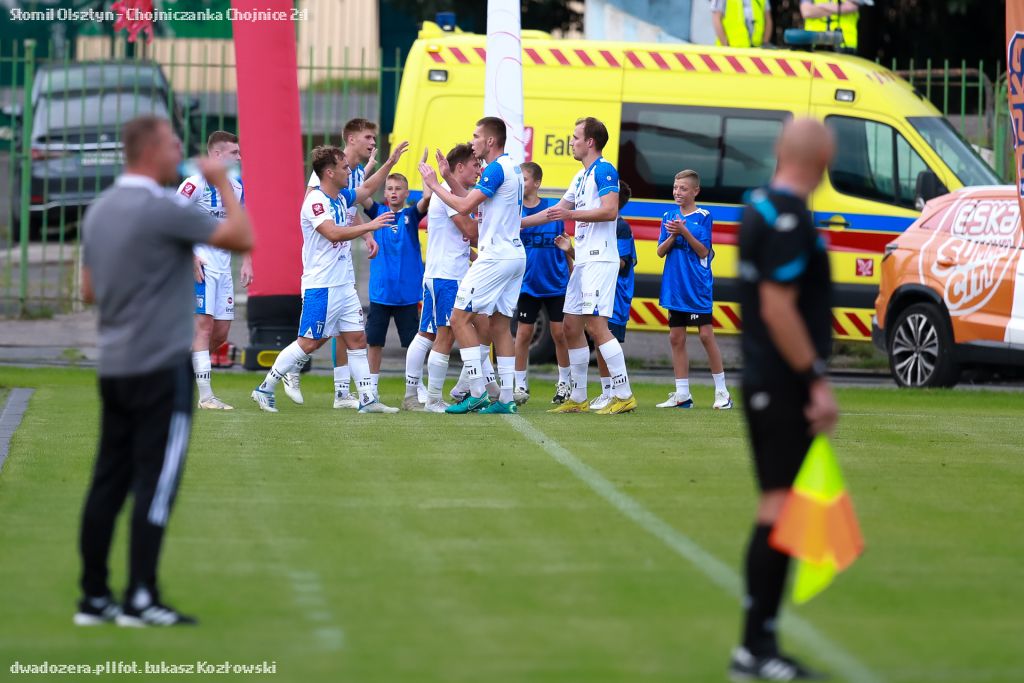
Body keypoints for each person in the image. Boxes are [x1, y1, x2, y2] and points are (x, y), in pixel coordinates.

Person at [76, 115, 253, 627]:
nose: (181, 152)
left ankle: (94, 597)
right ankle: (141, 596)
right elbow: (241, 235)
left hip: (115, 363)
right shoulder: (164, 207)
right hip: (160, 365)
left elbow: (89, 290)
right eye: (173, 144)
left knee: (108, 480)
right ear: (151, 150)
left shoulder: (101, 208)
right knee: (156, 484)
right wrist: (222, 183)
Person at [728, 118, 837, 681]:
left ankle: (759, 642)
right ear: (824, 161)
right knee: (779, 507)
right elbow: (777, 307)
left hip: (764, 377)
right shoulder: (789, 217)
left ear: (778, 151)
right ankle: (756, 646)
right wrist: (814, 379)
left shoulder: (758, 206)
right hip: (780, 382)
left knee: (783, 504)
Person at [251, 143, 408, 414]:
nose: (349, 171)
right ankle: (265, 388)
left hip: (343, 284)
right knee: (308, 342)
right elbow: (332, 232)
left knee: (357, 339)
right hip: (321, 285)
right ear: (329, 173)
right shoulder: (315, 201)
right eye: (344, 167)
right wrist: (369, 226)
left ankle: (368, 399)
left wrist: (390, 162)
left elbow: (367, 189)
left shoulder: (340, 197)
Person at [418, 116, 526, 415]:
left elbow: (465, 206)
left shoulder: (495, 168)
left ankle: (476, 392)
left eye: (477, 136)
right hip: (514, 255)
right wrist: (448, 178)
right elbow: (475, 200)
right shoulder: (511, 167)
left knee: (458, 319)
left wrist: (434, 185)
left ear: (490, 141)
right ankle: (506, 399)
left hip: (495, 256)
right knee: (500, 326)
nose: (473, 141)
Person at [539, 117, 636, 415]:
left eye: (576, 137)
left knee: (596, 326)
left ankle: (623, 394)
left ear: (590, 142)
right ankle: (579, 396)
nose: (571, 142)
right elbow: (556, 211)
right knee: (570, 326)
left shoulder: (605, 170)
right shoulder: (581, 176)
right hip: (583, 260)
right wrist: (515, 223)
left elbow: (609, 211)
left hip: (599, 259)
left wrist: (572, 215)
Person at [295, 118, 384, 409]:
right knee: (319, 335)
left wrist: (366, 235)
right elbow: (319, 210)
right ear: (352, 139)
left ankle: (350, 395)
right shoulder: (330, 169)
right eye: (368, 137)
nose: (373, 142)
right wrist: (367, 229)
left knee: (351, 332)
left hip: (342, 262)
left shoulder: (354, 172)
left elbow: (346, 206)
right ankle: (287, 370)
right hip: (324, 267)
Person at [177, 131, 252, 410]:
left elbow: (240, 223)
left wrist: (247, 260)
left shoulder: (236, 186)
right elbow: (172, 219)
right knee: (204, 327)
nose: (240, 157)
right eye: (235, 153)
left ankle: (176, 371)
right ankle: (206, 396)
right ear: (217, 154)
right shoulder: (193, 184)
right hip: (201, 265)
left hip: (223, 266)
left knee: (220, 333)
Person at [404, 144, 481, 412]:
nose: (479, 170)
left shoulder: (449, 193)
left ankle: (413, 395)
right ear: (459, 167)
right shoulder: (448, 194)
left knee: (427, 334)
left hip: (441, 274)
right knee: (447, 335)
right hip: (447, 277)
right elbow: (470, 231)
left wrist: (475, 256)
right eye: (475, 165)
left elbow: (459, 240)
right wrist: (498, 228)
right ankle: (436, 398)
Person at [655, 170, 732, 410]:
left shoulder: (704, 216)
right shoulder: (668, 216)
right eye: (675, 187)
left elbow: (703, 251)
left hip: (697, 286)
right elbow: (660, 251)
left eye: (683, 188)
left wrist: (684, 231)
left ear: (695, 191)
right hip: (675, 286)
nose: (677, 192)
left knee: (706, 335)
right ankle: (682, 394)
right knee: (676, 337)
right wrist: (672, 236)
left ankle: (722, 393)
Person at [363, 172, 429, 401]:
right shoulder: (378, 213)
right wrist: (368, 169)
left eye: (398, 188)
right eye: (389, 188)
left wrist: (426, 176)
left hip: (407, 295)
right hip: (381, 293)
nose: (393, 192)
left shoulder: (411, 214)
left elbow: (426, 200)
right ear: (385, 192)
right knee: (374, 341)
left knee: (413, 344)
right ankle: (371, 389)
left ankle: (417, 385)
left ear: (406, 193)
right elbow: (361, 194)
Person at [513, 161, 570, 406]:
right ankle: (520, 384)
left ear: (536, 183)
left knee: (559, 333)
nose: (521, 183)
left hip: (556, 282)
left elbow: (565, 245)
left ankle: (565, 383)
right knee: (523, 334)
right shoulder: (514, 211)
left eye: (525, 178)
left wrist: (573, 273)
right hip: (528, 284)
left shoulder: (553, 210)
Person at [587, 181, 636, 411]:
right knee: (599, 340)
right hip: (602, 289)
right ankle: (607, 391)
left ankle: (619, 392)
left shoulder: (621, 227)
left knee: (606, 338)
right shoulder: (602, 224)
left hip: (616, 294)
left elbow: (622, 262)